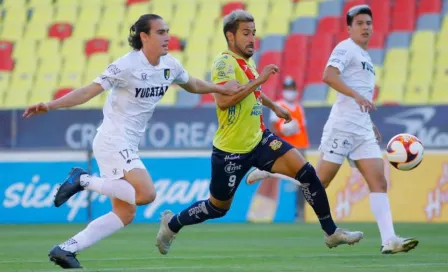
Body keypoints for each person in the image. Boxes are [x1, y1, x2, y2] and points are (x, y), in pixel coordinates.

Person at [22, 14, 243, 269]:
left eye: (168, 31)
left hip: (125, 143)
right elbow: (88, 91)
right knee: (146, 193)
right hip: (113, 139)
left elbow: (191, 83)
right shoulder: (126, 66)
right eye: (160, 32)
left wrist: (220, 89)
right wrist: (50, 105)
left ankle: (65, 249)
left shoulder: (169, 65)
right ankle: (83, 180)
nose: (167, 37)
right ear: (144, 36)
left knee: (125, 214)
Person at [155, 9, 364, 256]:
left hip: (260, 139)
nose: (252, 38)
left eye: (253, 33)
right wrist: (259, 80)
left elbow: (251, 91)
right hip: (231, 150)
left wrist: (275, 106)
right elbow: (224, 102)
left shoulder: (247, 61)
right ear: (230, 36)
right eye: (246, 33)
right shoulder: (224, 63)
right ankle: (172, 224)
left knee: (306, 172)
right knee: (217, 208)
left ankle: (331, 232)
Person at [245, 5, 419, 254]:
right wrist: (357, 96)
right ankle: (269, 172)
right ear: (349, 28)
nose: (365, 27)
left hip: (362, 130)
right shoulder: (345, 48)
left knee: (379, 181)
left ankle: (389, 239)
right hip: (342, 127)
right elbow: (328, 75)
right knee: (320, 182)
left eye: (368, 23)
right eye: (359, 23)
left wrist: (367, 120)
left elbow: (359, 92)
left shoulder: (367, 58)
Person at [246, 76, 310, 222]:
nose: (290, 92)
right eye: (287, 89)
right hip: (283, 148)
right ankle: (259, 213)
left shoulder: (299, 108)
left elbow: (302, 129)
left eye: (292, 89)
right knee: (270, 179)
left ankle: (300, 213)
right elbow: (274, 127)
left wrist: (293, 130)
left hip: (299, 148)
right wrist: (284, 129)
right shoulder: (279, 104)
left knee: (303, 181)